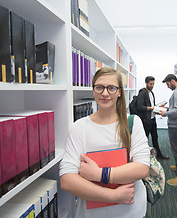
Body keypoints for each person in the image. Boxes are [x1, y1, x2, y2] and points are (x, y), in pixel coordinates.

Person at [59, 67, 150, 218]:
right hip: (93, 213)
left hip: (132, 210)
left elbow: (142, 168)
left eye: (112, 88)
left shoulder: (132, 122)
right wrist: (113, 195)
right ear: (93, 90)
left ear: (120, 91)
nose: (105, 93)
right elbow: (67, 180)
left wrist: (99, 174)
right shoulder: (79, 127)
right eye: (99, 87)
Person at [159, 74, 177, 186]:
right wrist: (167, 108)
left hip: (175, 125)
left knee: (176, 149)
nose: (167, 87)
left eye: (167, 84)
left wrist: (165, 113)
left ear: (172, 81)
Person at [136, 76, 169, 160]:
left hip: (152, 119)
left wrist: (158, 107)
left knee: (155, 138)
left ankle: (159, 155)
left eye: (153, 84)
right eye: (150, 84)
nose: (152, 85)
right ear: (146, 83)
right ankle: (144, 157)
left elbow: (152, 106)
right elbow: (140, 107)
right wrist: (151, 108)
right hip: (146, 121)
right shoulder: (142, 93)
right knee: (145, 139)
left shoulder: (151, 93)